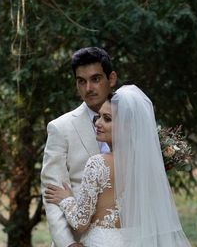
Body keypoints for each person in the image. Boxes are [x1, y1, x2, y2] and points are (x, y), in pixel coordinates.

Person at [44, 85, 191, 247]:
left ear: (126, 126)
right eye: (98, 117)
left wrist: (66, 199)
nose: (98, 123)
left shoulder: (97, 164)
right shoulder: (145, 165)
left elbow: (80, 222)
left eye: (107, 119)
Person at [41, 47, 117, 247]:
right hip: (79, 239)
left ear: (111, 79)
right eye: (81, 81)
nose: (88, 88)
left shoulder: (134, 124)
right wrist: (67, 244)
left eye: (96, 79)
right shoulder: (60, 128)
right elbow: (51, 191)